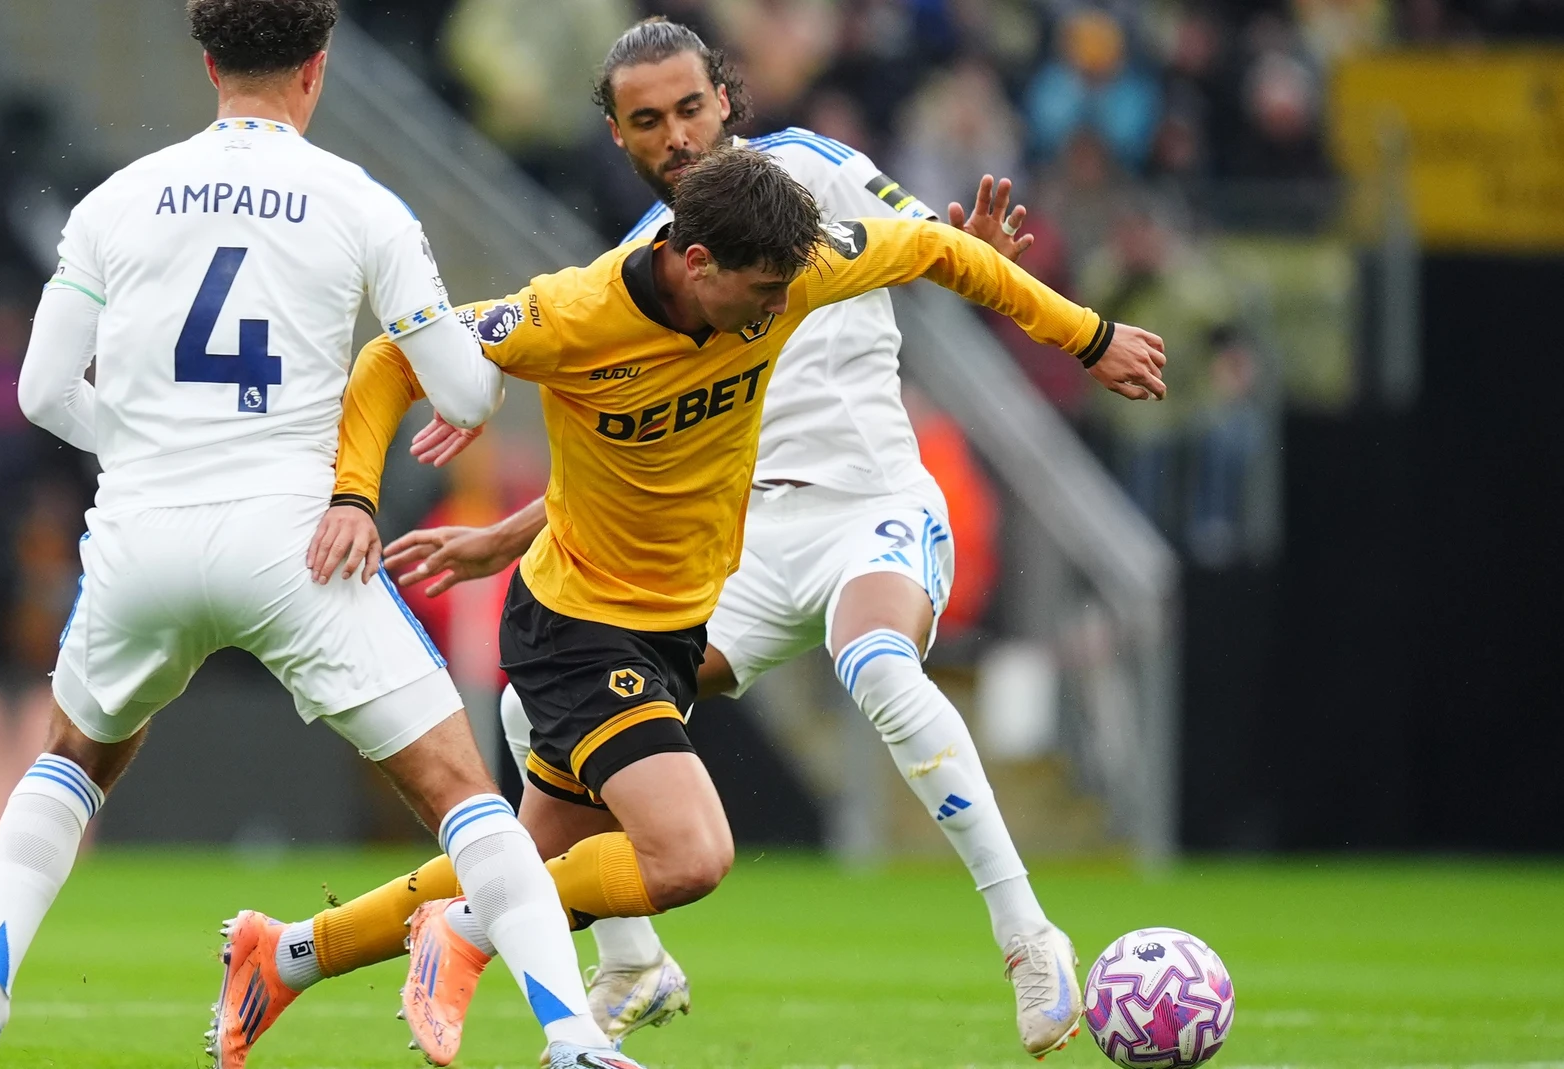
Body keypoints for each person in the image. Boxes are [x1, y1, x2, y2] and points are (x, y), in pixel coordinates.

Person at [229, 137, 1165, 1065]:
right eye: (761, 294)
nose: (776, 314)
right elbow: (394, 358)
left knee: (526, 852)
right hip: (580, 627)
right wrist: (354, 491)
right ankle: (468, 928)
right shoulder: (571, 312)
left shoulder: (794, 266)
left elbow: (939, 249)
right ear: (695, 260)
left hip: (675, 618)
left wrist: (1088, 336)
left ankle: (290, 954)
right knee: (689, 856)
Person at [0, 4, 630, 1069]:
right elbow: (466, 388)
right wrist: (459, 380)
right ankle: (573, 1038)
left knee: (71, 758)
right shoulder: (360, 201)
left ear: (206, 63)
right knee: (459, 792)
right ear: (318, 68)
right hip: (300, 545)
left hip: (143, 534)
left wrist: (151, 449)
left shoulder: (116, 199)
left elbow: (40, 390)